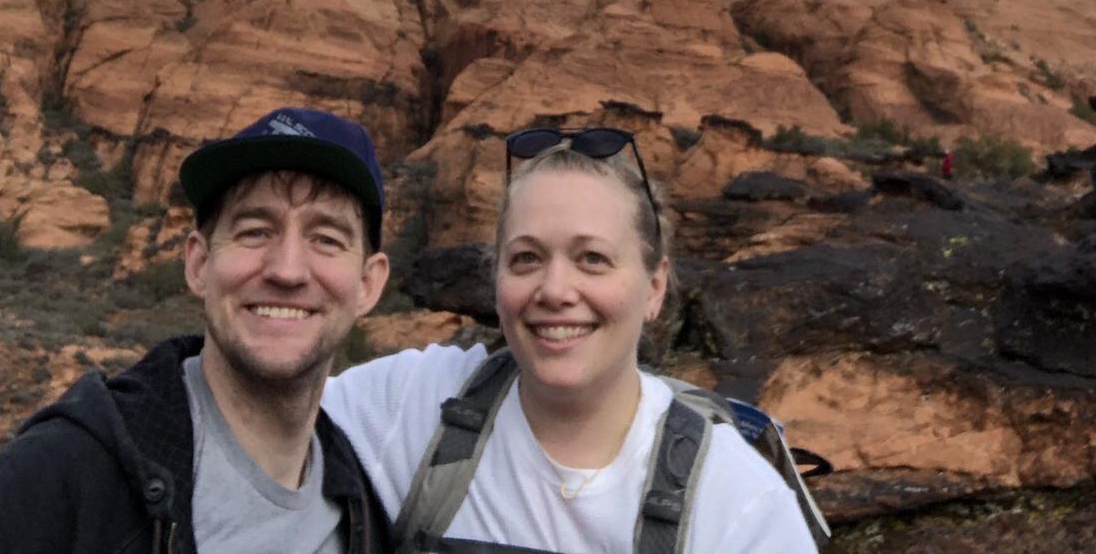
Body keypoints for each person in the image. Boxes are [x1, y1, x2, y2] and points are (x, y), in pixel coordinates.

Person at [0, 107, 393, 554]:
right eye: (254, 231)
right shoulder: (76, 470)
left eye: (326, 239)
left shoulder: (365, 510)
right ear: (199, 264)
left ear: (368, 284)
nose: (287, 270)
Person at [323, 126, 822, 554]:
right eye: (526, 258)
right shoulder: (410, 404)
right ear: (495, 282)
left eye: (592, 259)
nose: (555, 291)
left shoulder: (735, 499)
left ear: (654, 287)